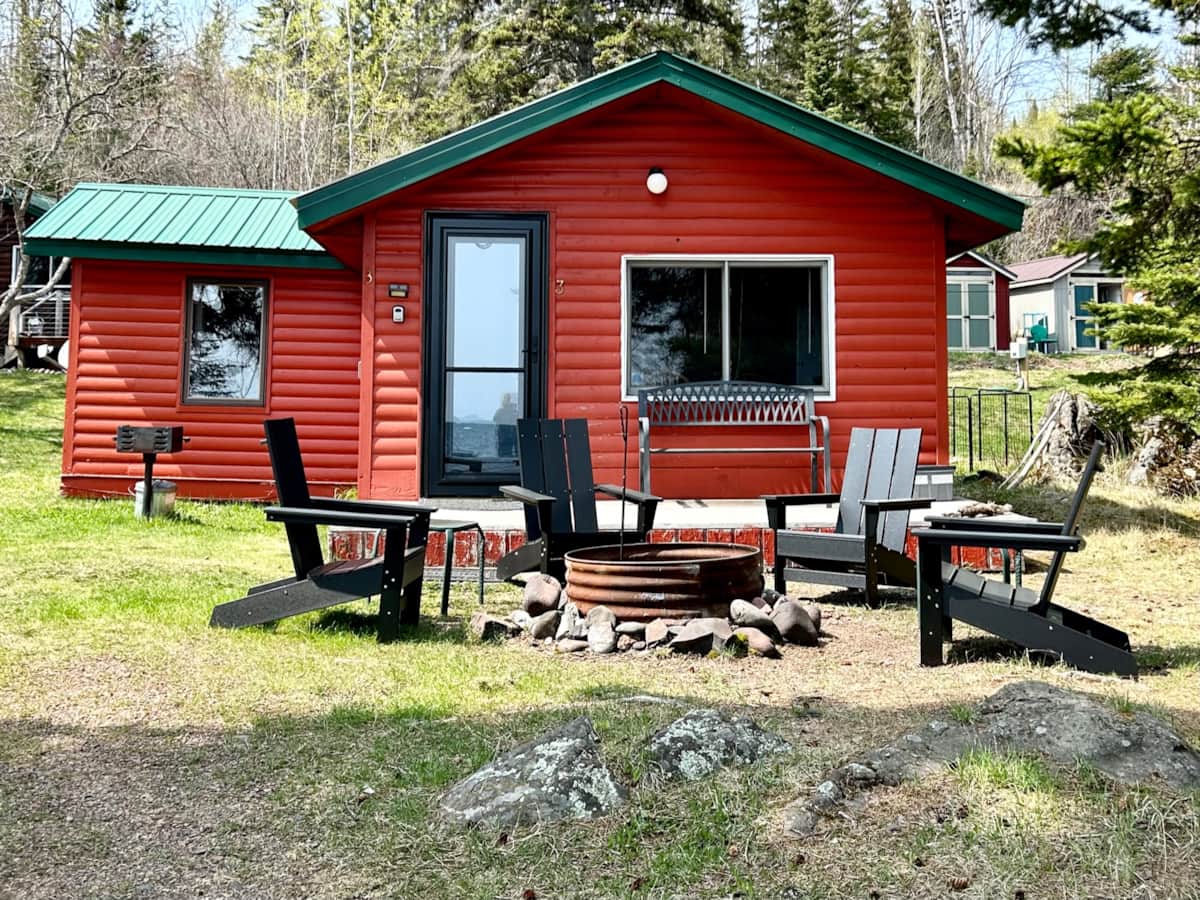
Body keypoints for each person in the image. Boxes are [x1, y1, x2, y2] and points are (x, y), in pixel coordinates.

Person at [493, 392, 518, 458]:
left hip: (507, 437)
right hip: (504, 437)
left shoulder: (513, 412)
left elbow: (495, 419)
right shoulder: (501, 411)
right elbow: (495, 419)